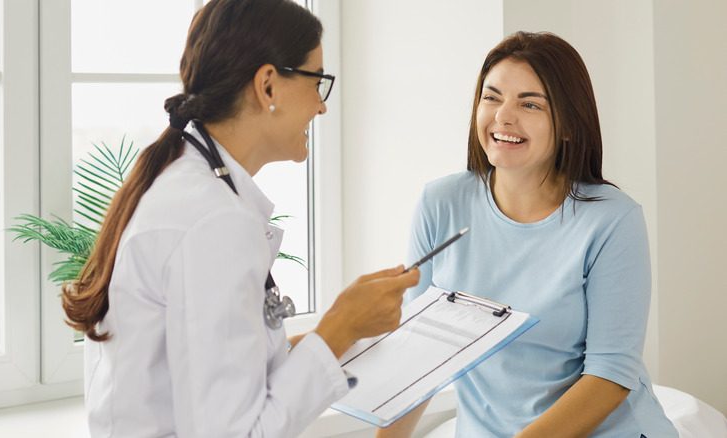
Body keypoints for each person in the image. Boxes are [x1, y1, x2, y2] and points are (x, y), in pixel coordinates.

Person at [60, 1, 419, 436]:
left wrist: (347, 329)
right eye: (317, 81)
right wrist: (341, 326)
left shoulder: (184, 182)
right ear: (268, 86)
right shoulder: (213, 221)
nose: (321, 108)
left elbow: (225, 369)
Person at [377, 31, 678, 437]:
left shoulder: (612, 220)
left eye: (530, 103)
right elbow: (422, 357)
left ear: (570, 124)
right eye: (492, 97)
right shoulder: (440, 203)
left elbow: (609, 377)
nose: (503, 116)